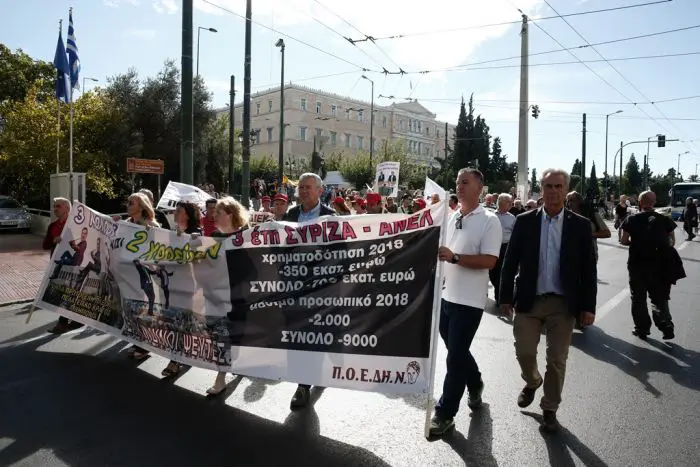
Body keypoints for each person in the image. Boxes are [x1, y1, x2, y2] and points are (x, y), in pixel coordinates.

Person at [499, 168, 597, 433]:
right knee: (525, 351)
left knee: (557, 359)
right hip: (529, 300)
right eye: (548, 186)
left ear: (565, 190)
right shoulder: (525, 221)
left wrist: (588, 307)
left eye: (558, 186)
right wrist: (504, 297)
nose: (552, 191)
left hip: (563, 304)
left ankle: (550, 407)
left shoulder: (579, 225)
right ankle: (532, 382)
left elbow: (589, 270)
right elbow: (510, 262)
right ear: (540, 189)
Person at [429, 168, 502, 437]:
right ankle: (475, 381)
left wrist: (456, 258)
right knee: (456, 350)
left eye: (465, 182)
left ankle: (445, 413)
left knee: (455, 356)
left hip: (469, 301)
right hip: (446, 296)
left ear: (479, 188)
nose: (459, 186)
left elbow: (489, 261)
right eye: (457, 181)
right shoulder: (451, 216)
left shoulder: (489, 220)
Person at [282, 173, 335, 409]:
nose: (302, 191)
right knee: (296, 333)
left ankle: (306, 382)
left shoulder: (332, 217)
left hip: (319, 287)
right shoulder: (291, 215)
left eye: (308, 187)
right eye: (300, 187)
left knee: (314, 333)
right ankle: (305, 380)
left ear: (320, 191)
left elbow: (340, 252)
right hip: (293, 285)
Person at [621, 191, 683, 340]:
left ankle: (642, 329)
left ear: (640, 203)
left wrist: (636, 244)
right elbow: (671, 242)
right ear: (654, 203)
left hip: (637, 264)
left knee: (638, 298)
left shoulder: (631, 219)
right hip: (660, 264)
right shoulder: (664, 219)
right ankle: (665, 324)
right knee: (659, 296)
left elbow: (624, 240)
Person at [207, 196, 250, 396]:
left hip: (238, 298)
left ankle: (226, 372)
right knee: (221, 336)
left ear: (231, 214)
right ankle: (224, 373)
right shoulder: (214, 235)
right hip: (217, 297)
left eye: (219, 213)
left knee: (233, 336)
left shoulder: (247, 236)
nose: (214, 216)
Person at [161, 201, 203, 377]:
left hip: (189, 287)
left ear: (187, 215)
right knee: (178, 324)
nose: (175, 214)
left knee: (180, 323)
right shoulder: (171, 234)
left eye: (179, 211)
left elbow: (201, 260)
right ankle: (183, 354)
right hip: (172, 285)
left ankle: (175, 360)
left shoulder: (197, 235)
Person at [124, 192, 161, 361]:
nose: (128, 205)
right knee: (133, 308)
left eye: (132, 202)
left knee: (146, 304)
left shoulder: (151, 225)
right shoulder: (125, 224)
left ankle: (144, 345)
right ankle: (137, 339)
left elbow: (161, 246)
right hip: (129, 275)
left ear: (142, 206)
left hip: (145, 272)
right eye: (128, 202)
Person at [45, 198, 83, 334]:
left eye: (58, 206)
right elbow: (45, 245)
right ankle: (72, 320)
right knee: (63, 293)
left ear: (67, 208)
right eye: (54, 206)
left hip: (73, 265)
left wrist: (72, 243)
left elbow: (82, 244)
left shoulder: (75, 225)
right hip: (57, 264)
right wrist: (54, 241)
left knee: (68, 293)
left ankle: (63, 323)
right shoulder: (52, 226)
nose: (55, 209)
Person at [565, 191, 611, 263]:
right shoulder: (566, 216)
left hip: (589, 257)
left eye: (571, 200)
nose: (569, 203)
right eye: (567, 201)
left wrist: (589, 234)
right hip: (570, 258)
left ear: (579, 201)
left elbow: (607, 233)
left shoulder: (591, 215)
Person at [490, 193, 516, 305]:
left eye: (511, 202)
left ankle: (499, 297)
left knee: (501, 271)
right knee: (492, 271)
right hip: (492, 246)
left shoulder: (512, 218)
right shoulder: (491, 215)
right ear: (501, 202)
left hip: (505, 247)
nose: (511, 205)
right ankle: (496, 286)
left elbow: (515, 234)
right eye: (509, 202)